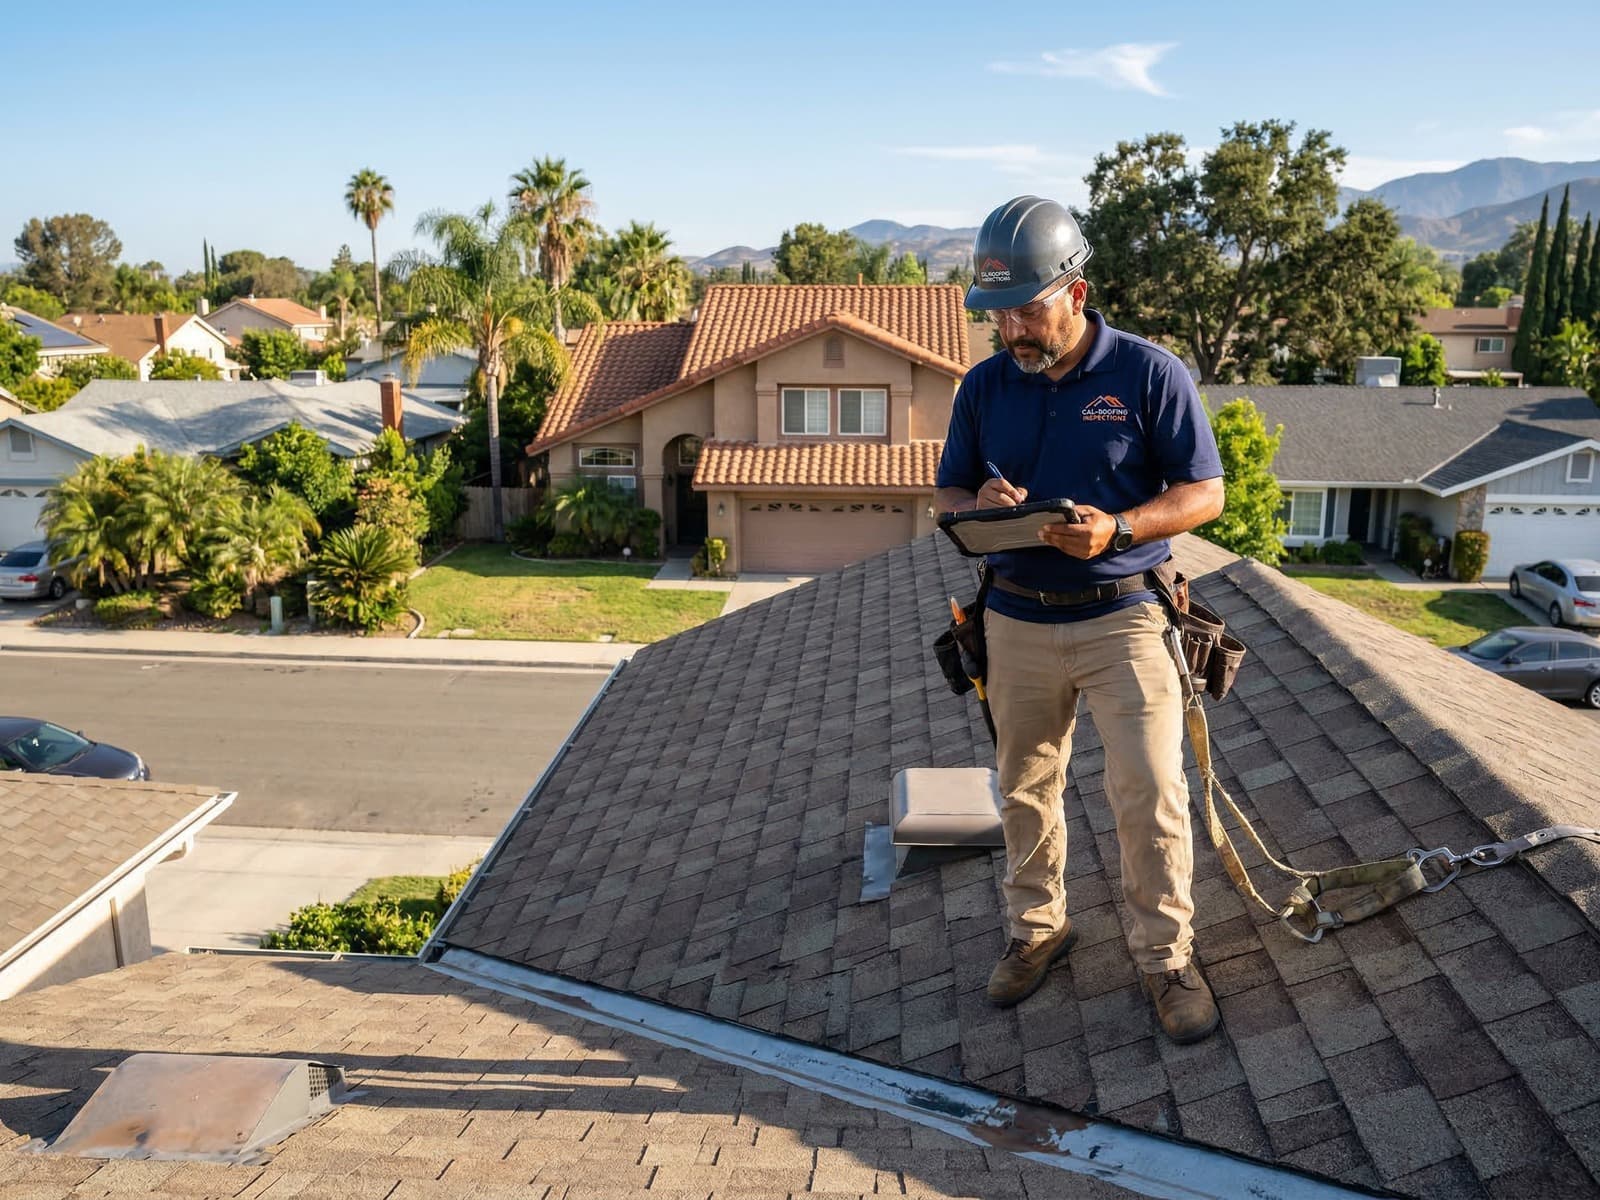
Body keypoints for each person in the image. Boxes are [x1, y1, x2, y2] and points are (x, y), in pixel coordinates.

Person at [934, 195, 1226, 1044]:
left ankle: (1167, 958)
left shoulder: (1149, 374)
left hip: (1124, 616)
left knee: (1150, 791)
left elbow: (1205, 492)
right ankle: (1038, 930)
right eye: (999, 316)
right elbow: (949, 491)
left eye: (1028, 310)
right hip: (1015, 620)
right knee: (1024, 787)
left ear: (1077, 290)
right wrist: (976, 502)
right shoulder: (985, 385)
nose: (1013, 331)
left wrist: (1122, 527)